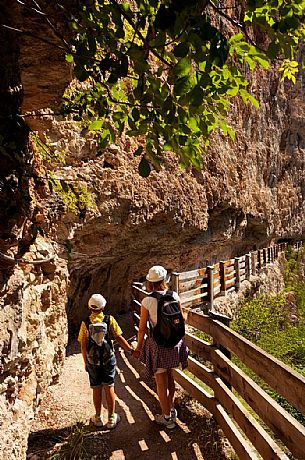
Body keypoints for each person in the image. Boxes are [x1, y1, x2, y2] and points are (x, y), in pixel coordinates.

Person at [133, 265, 189, 429]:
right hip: (174, 345)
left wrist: (138, 347)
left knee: (161, 383)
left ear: (150, 283)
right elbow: (182, 317)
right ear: (164, 280)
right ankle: (171, 410)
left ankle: (167, 418)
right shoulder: (174, 296)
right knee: (170, 378)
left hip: (158, 346)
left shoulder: (147, 301)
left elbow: (143, 328)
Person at [78, 293, 134, 429]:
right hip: (108, 359)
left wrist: (86, 362)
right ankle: (111, 417)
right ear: (103, 307)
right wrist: (130, 350)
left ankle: (97, 417)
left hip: (93, 362)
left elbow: (83, 344)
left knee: (96, 388)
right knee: (109, 386)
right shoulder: (109, 320)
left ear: (89, 307)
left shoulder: (85, 323)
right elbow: (119, 337)